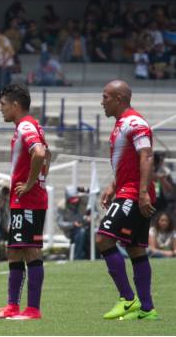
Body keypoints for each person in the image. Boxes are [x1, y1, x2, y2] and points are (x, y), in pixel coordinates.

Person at [96, 80, 158, 320]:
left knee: (103, 238)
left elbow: (146, 157)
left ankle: (127, 298)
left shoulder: (135, 122)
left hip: (133, 193)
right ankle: (147, 308)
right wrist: (113, 185)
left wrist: (142, 192)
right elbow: (128, 161)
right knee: (135, 249)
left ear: (119, 98)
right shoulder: (121, 125)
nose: (102, 103)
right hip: (126, 189)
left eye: (105, 97)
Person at [0, 83, 51, 320]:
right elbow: (48, 153)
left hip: (29, 200)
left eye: (3, 105)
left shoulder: (26, 126)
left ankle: (33, 309)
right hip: (22, 199)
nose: (0, 109)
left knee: (31, 251)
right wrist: (43, 177)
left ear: (15, 105)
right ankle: (12, 306)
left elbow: (41, 153)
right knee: (14, 250)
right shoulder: (29, 126)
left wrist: (32, 182)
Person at [57, 186, 91, 260]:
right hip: (72, 230)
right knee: (81, 232)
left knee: (94, 232)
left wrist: (90, 218)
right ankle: (78, 257)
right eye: (72, 199)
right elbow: (60, 224)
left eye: (76, 198)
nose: (75, 201)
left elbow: (91, 196)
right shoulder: (62, 206)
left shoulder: (83, 200)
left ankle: (94, 256)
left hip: (85, 225)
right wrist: (73, 224)